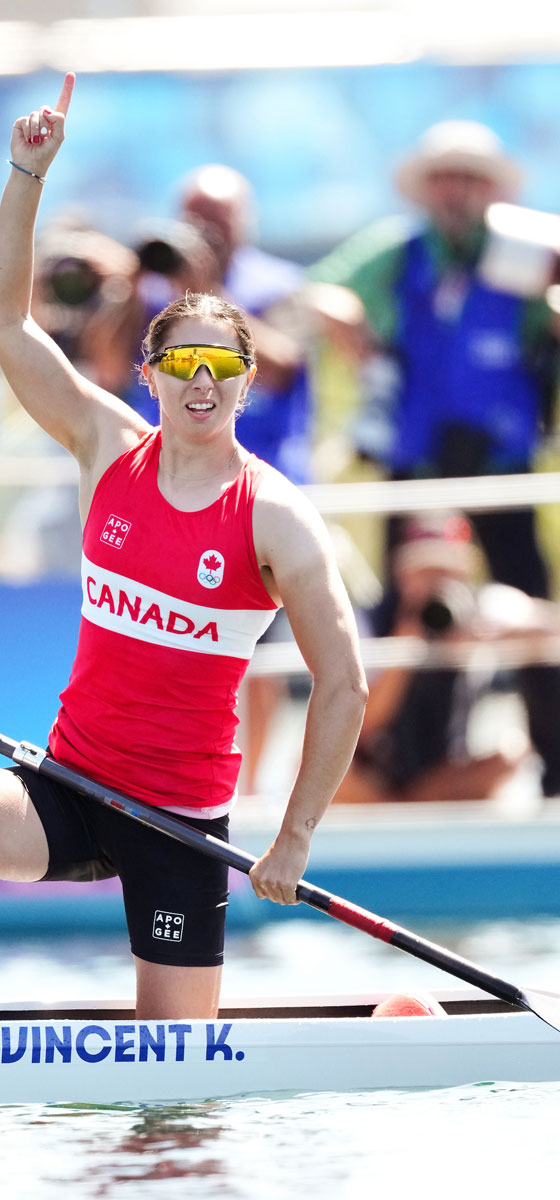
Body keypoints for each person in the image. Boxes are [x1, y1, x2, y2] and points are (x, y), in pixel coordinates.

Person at [0, 74, 368, 1023]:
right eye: (180, 365)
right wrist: (24, 177)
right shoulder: (104, 444)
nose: (198, 384)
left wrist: (292, 840)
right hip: (68, 786)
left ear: (246, 384)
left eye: (220, 368)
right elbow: (1, 320)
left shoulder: (278, 517)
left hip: (182, 827)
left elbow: (345, 685)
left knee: (176, 1120)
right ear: (150, 375)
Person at [309, 119, 560, 797]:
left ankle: (556, 770)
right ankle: (409, 762)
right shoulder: (399, 250)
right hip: (418, 469)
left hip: (501, 464)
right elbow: (324, 291)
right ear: (428, 187)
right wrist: (356, 333)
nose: (457, 190)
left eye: (470, 178)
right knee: (414, 616)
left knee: (529, 611)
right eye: (446, 177)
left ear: (490, 190)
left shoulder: (528, 248)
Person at [333, 513, 560, 805]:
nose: (436, 585)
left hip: (444, 770)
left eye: (445, 571)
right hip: (375, 774)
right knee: (326, 770)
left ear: (465, 573)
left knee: (511, 755)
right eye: (425, 572)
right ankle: (409, 807)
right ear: (403, 577)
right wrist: (403, 654)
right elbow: (360, 726)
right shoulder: (369, 623)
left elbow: (549, 624)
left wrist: (502, 634)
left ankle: (404, 809)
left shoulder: (483, 608)